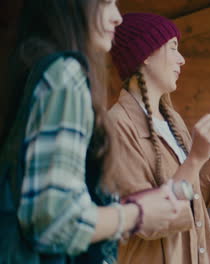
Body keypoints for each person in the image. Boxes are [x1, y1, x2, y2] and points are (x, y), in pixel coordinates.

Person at [2, 1, 185, 263]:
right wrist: (138, 213)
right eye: (106, 3)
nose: (117, 17)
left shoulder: (35, 66)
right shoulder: (66, 76)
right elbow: (57, 222)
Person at [108, 13, 210, 264]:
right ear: (145, 55)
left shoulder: (172, 120)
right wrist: (195, 158)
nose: (182, 60)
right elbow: (147, 222)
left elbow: (199, 197)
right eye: (173, 48)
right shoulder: (116, 126)